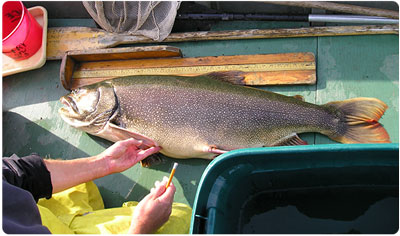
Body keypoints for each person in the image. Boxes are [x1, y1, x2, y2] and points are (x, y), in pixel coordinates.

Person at [3, 138, 176, 234]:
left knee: (82, 185)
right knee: (177, 218)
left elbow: (21, 174)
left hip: (28, 213)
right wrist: (142, 227)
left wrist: (104, 163)